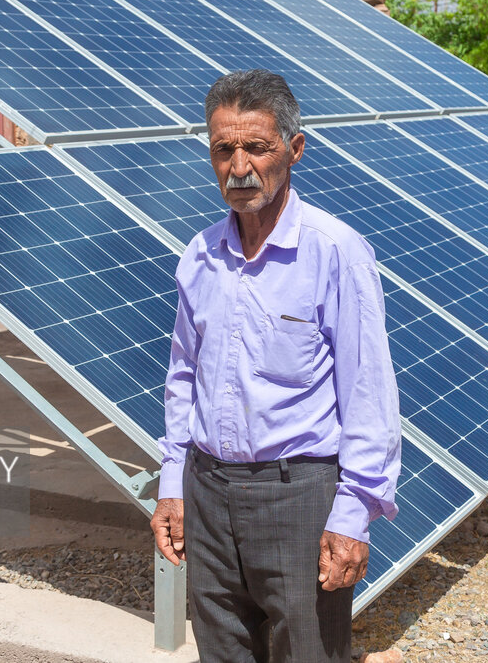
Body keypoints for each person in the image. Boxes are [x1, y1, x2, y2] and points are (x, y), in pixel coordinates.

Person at [150, 68, 401, 663]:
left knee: (308, 653)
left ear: (293, 148)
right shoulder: (201, 255)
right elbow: (183, 377)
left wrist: (354, 514)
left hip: (300, 498)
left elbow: (368, 394)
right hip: (206, 492)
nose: (239, 167)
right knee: (222, 651)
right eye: (223, 149)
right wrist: (172, 485)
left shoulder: (334, 252)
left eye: (256, 148)